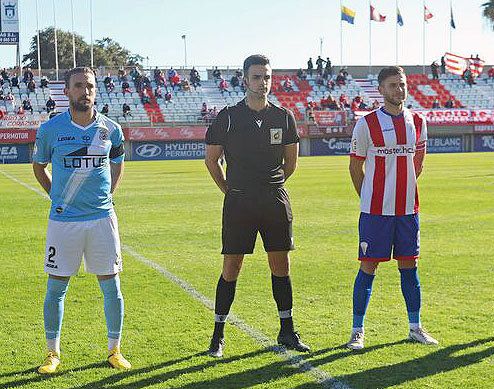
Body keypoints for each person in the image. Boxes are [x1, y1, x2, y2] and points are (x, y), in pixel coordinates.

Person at [204, 54, 310, 358]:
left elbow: (291, 163)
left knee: (281, 265)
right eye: (256, 77)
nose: (262, 82)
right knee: (231, 267)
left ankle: (287, 331)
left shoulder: (283, 116)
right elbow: (212, 160)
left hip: (274, 200)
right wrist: (230, 190)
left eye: (266, 77)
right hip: (239, 201)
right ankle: (218, 335)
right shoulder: (228, 117)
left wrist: (270, 185)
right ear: (244, 79)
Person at [32, 67, 130, 374]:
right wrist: (56, 197)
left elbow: (118, 162)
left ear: (95, 91)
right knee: (55, 289)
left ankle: (114, 350)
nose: (84, 91)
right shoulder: (50, 129)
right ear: (67, 91)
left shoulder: (111, 129)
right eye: (78, 86)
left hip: (102, 219)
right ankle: (52, 353)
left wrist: (108, 195)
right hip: (64, 224)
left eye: (89, 86)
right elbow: (39, 166)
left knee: (111, 288)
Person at [347, 66, 438, 350]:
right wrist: (370, 196)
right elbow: (355, 166)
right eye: (393, 85)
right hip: (375, 212)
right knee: (368, 266)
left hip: (408, 210)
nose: (399, 90)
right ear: (381, 89)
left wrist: (406, 188)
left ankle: (415, 327)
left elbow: (418, 163)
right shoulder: (367, 124)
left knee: (409, 265)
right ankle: (357, 331)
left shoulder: (419, 121)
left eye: (402, 84)